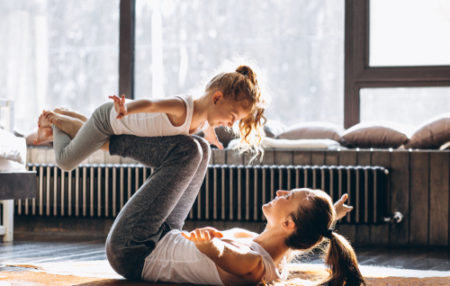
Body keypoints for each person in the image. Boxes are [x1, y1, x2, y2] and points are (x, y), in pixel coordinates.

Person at [35, 65, 266, 171]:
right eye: (233, 116)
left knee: (91, 138)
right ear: (217, 98)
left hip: (120, 129)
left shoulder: (204, 120)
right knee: (65, 162)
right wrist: (128, 109)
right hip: (110, 119)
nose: (231, 124)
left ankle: (64, 114)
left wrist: (211, 135)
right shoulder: (183, 107)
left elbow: (207, 127)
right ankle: (55, 119)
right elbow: (151, 104)